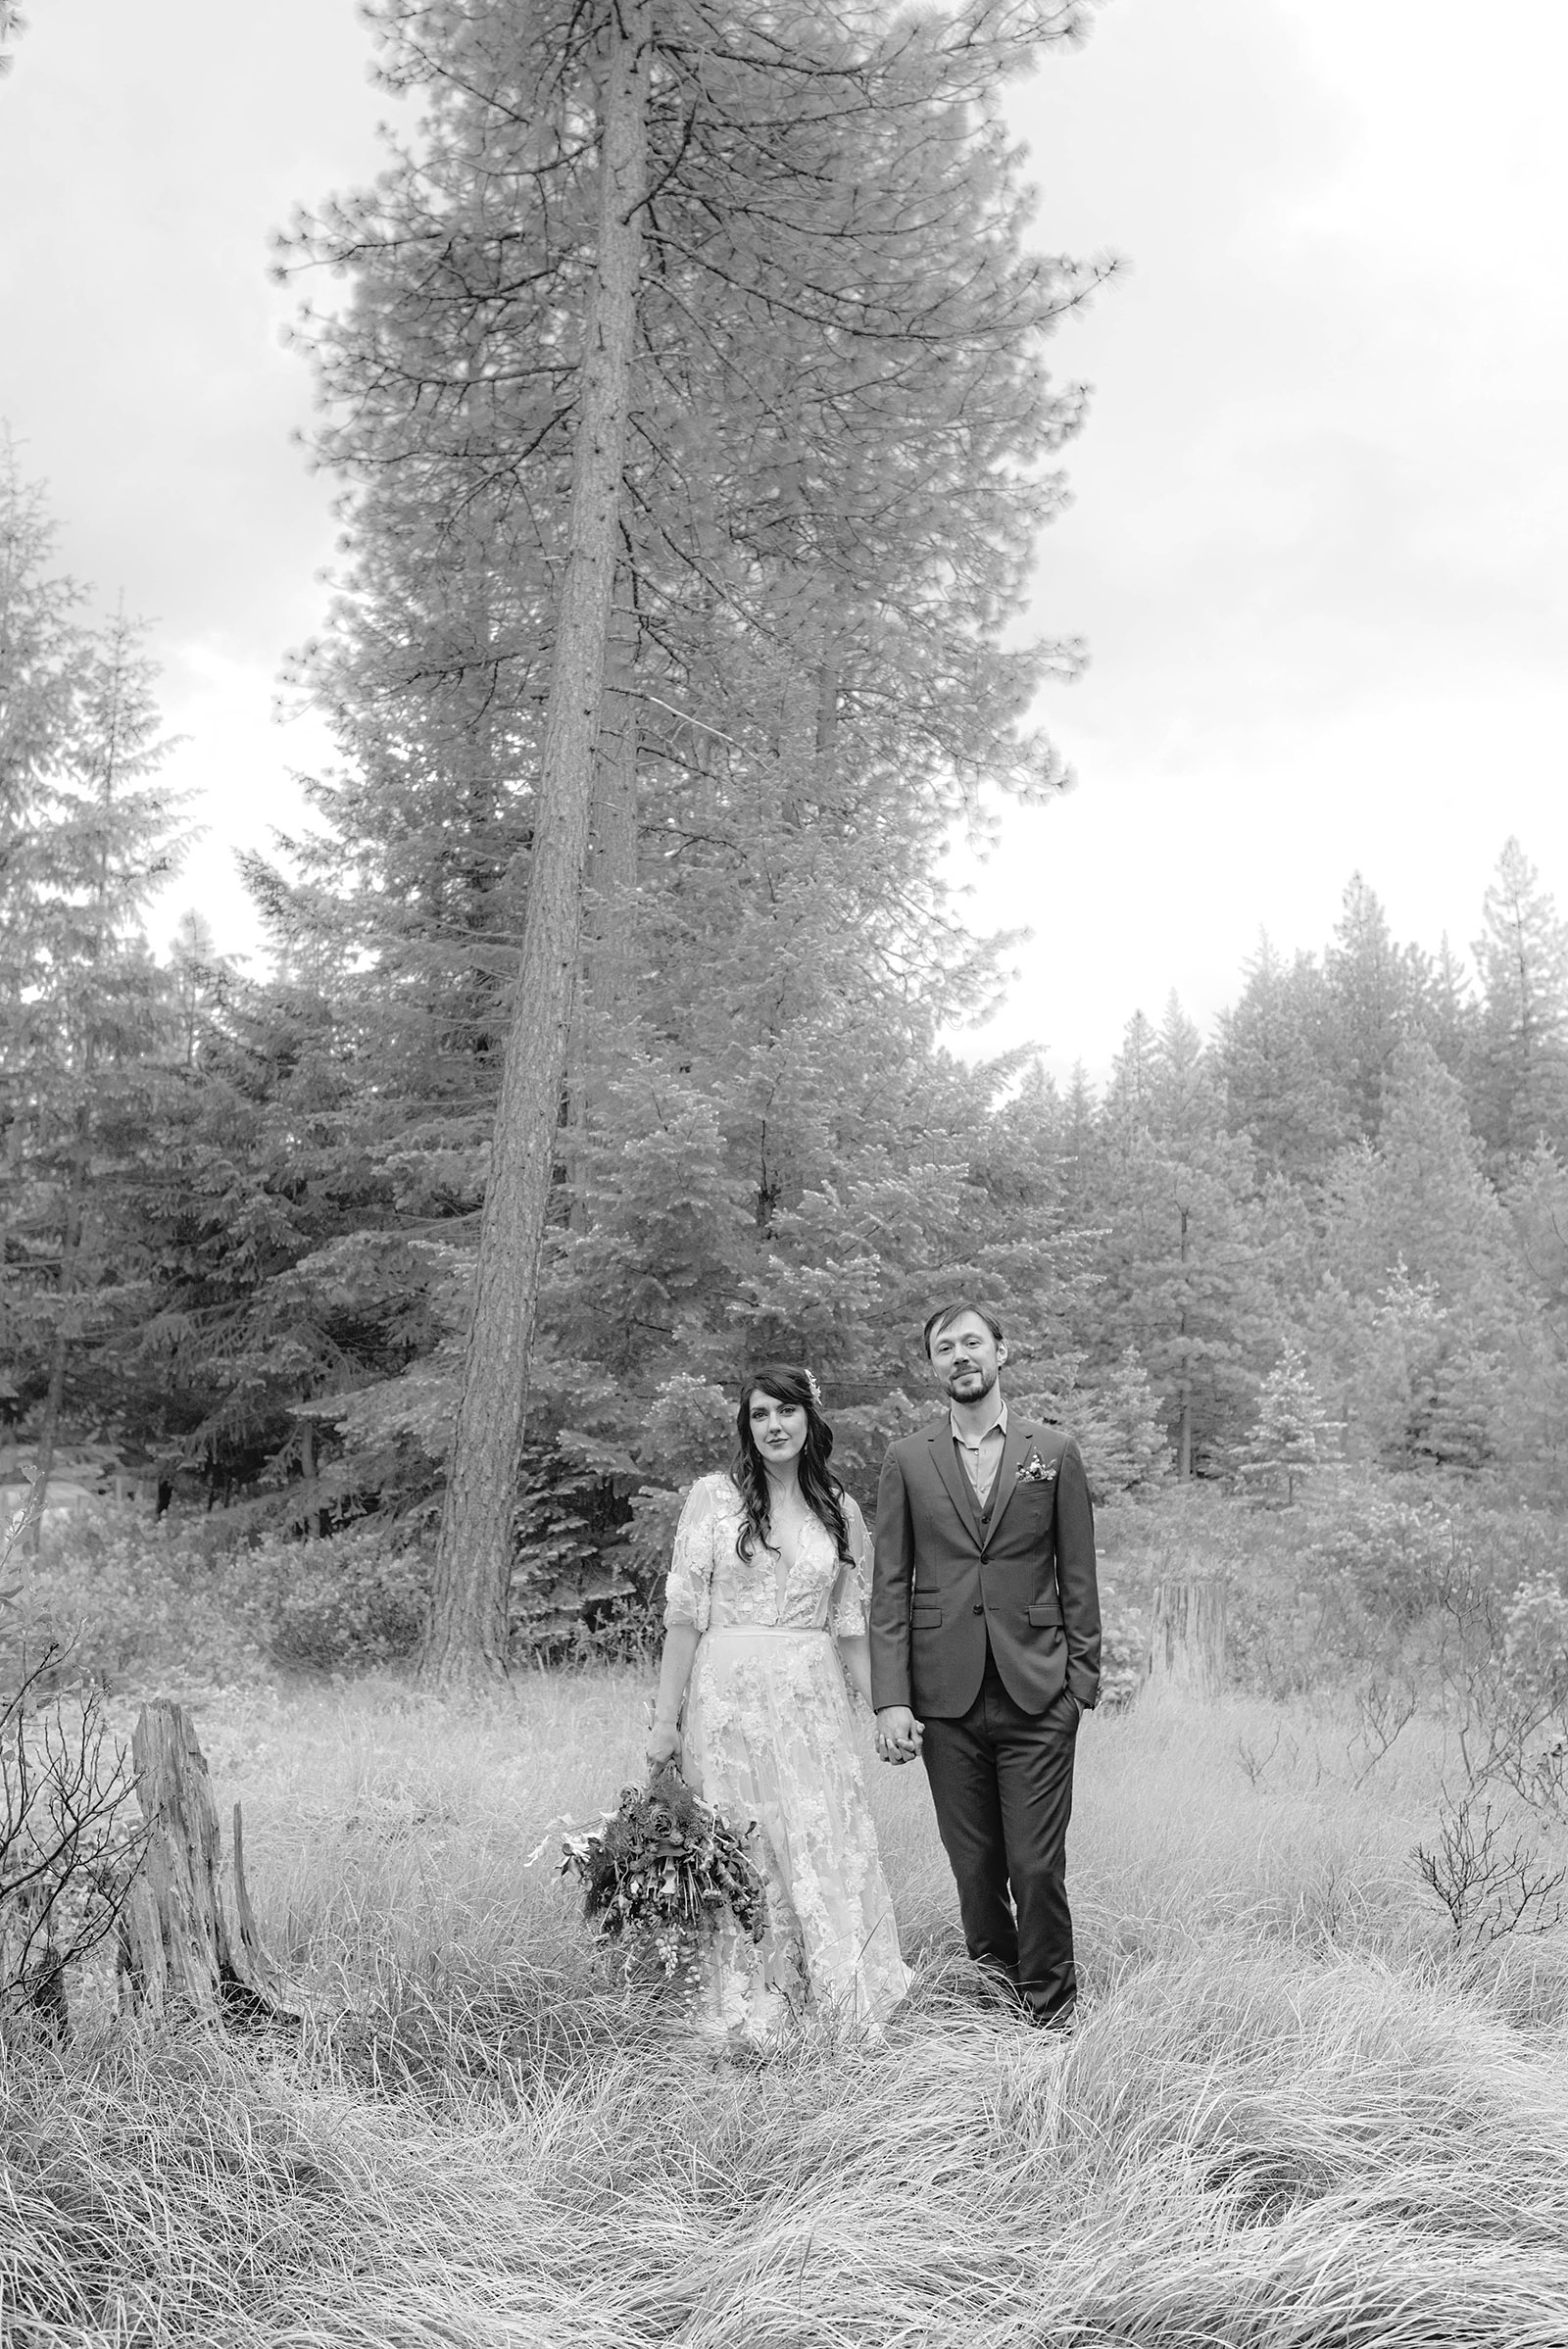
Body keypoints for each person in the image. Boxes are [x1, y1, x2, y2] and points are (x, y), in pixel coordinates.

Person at [646, 1363, 909, 2046]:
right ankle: (756, 2006)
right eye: (760, 1414)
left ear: (809, 1418)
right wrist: (663, 1723)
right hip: (727, 1696)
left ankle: (837, 2000)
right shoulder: (714, 1499)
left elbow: (850, 1628)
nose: (773, 1425)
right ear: (748, 1426)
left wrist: (887, 1707)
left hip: (810, 1698)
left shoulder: (839, 1509)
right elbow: (683, 1618)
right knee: (745, 1843)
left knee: (817, 1836)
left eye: (785, 1411)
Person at [870, 1303, 1101, 2030]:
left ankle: (1053, 2017)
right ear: (933, 1366)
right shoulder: (907, 1460)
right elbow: (889, 1589)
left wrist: (1080, 1686)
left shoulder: (1053, 1452)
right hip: (945, 1700)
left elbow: (1078, 1576)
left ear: (1002, 1350)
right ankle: (1001, 2008)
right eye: (946, 1347)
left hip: (1038, 1694)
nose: (961, 1355)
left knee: (1035, 1867)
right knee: (975, 1873)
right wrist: (891, 1699)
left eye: (973, 1341)